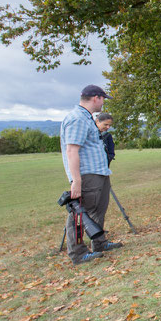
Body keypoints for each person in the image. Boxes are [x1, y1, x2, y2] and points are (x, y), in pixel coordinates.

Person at [60, 85, 123, 265]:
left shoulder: (87, 118)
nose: (103, 103)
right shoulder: (77, 119)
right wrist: (77, 180)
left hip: (99, 173)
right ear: (96, 98)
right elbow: (72, 150)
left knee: (98, 210)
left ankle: (99, 243)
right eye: (103, 99)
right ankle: (78, 253)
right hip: (87, 175)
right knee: (79, 214)